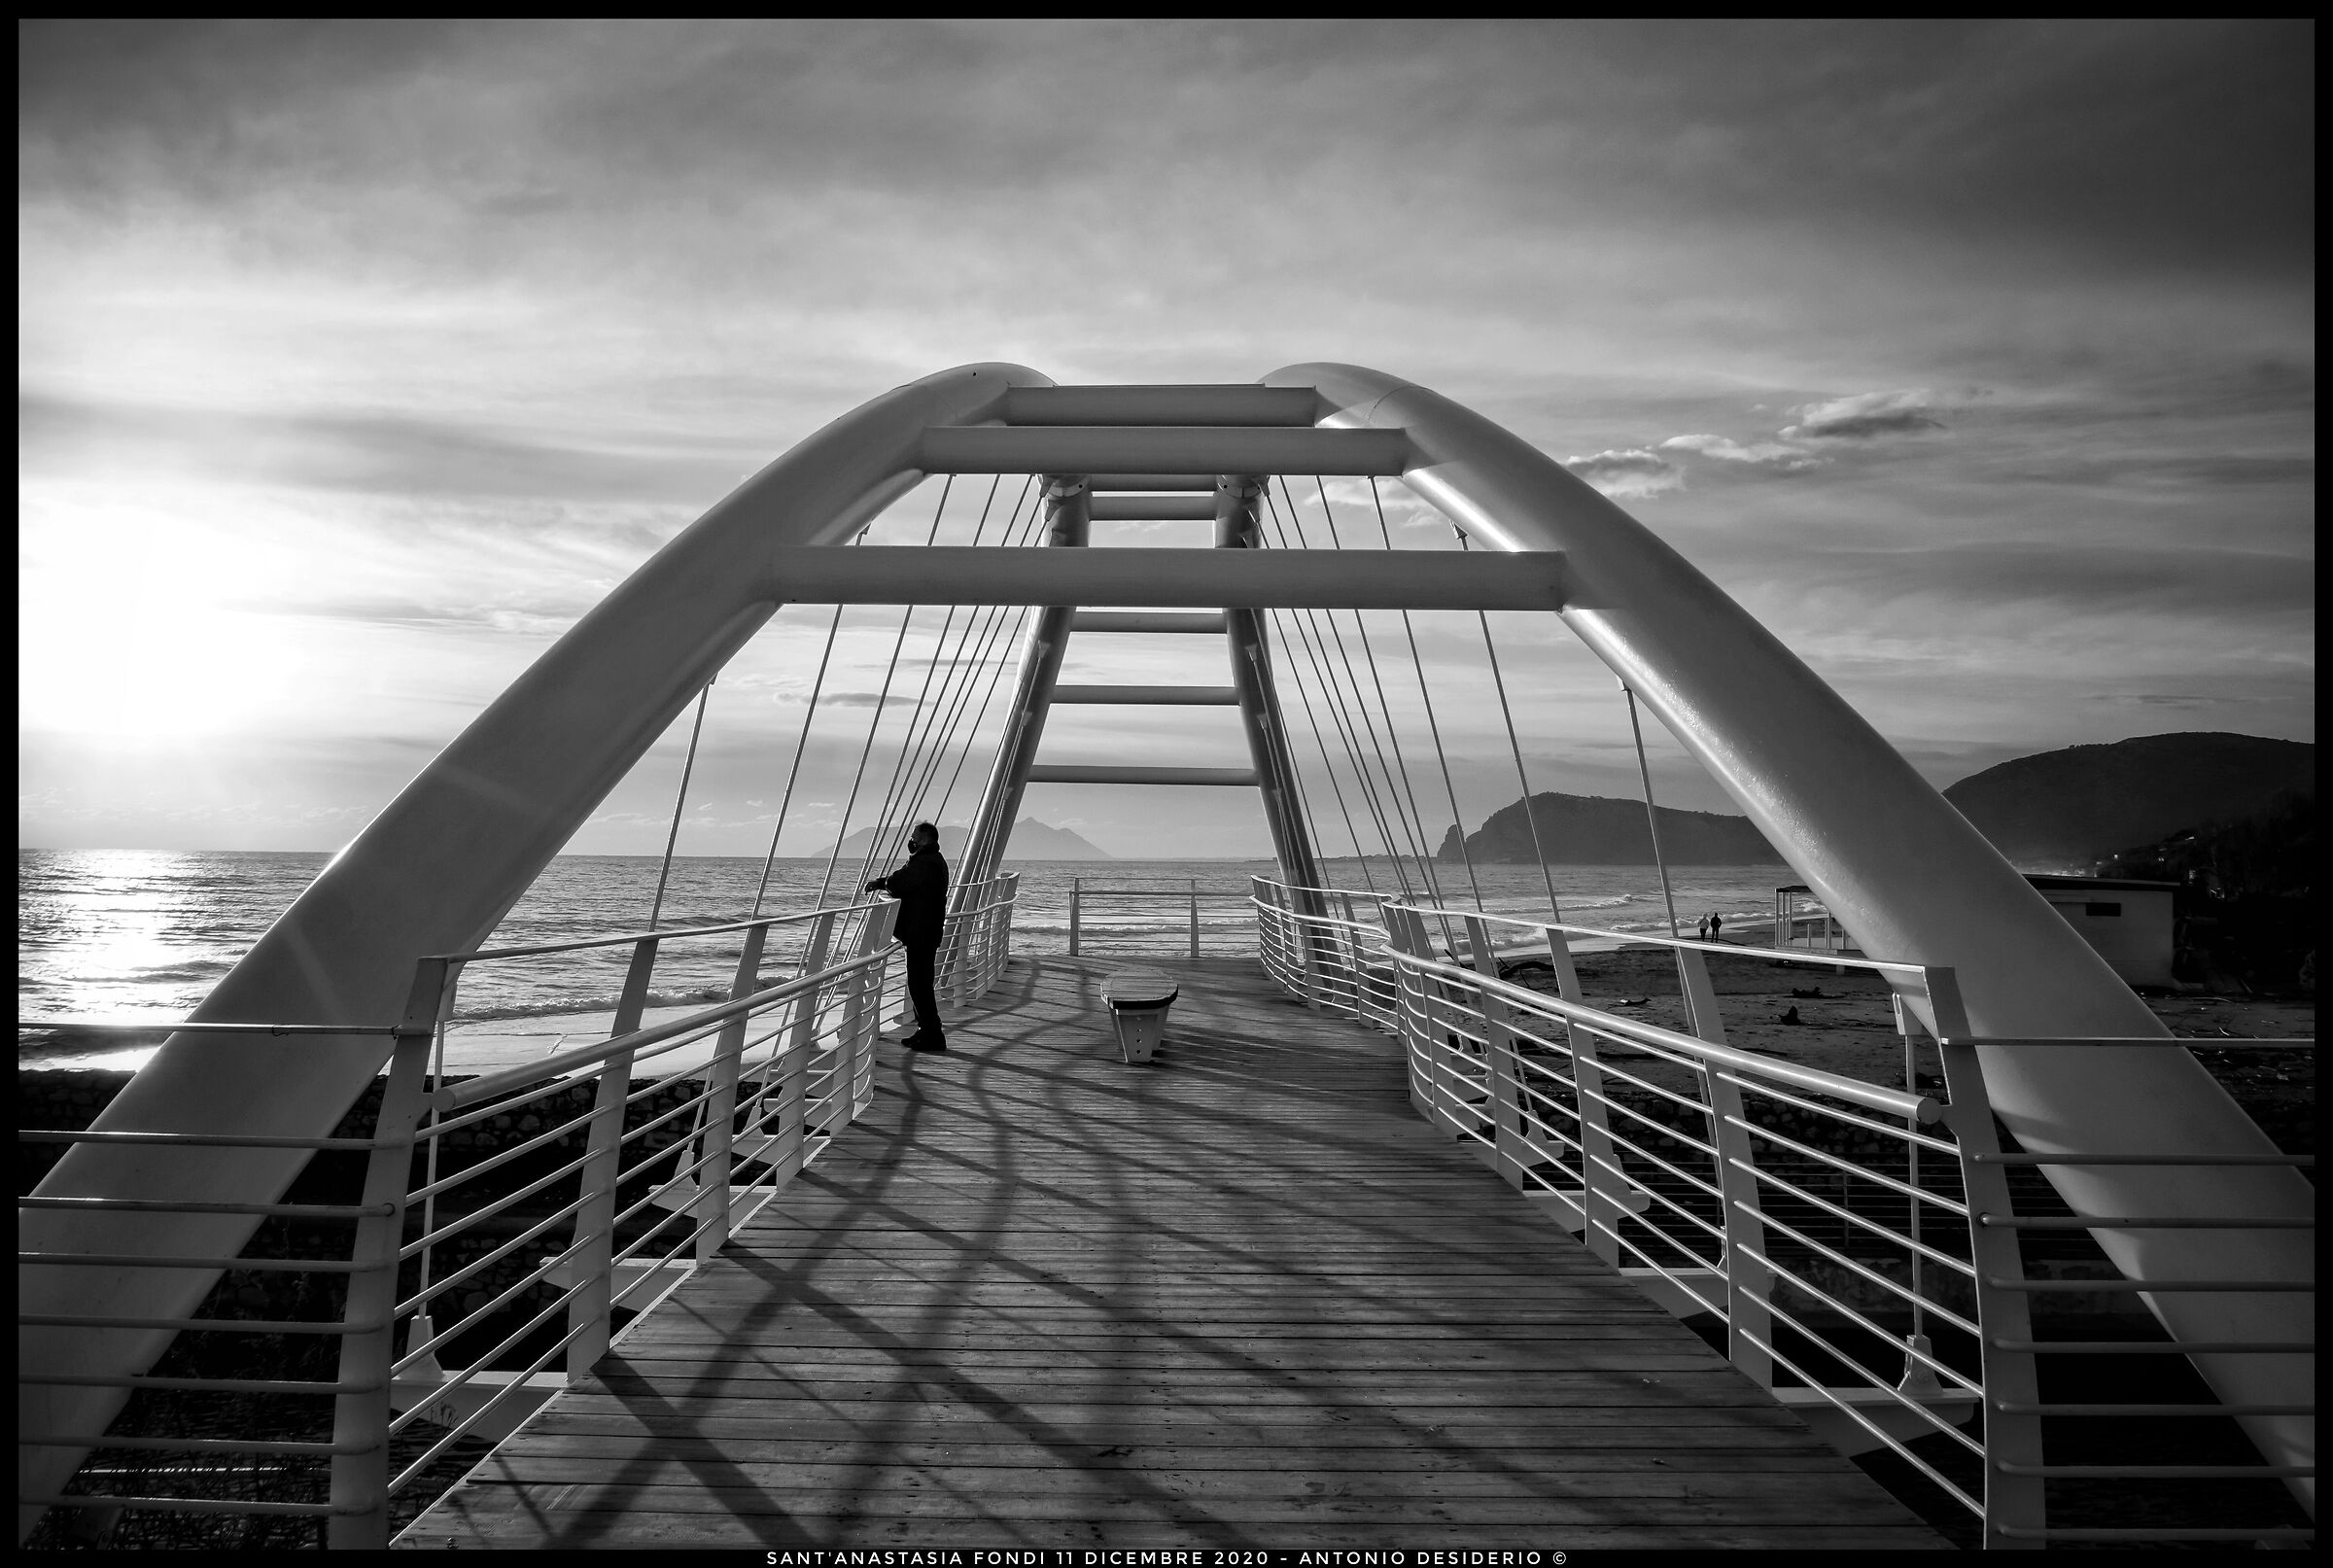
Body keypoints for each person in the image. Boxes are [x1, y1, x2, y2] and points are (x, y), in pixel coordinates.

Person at [865, 822, 950, 1052]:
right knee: (921, 984)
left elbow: (901, 882)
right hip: (925, 931)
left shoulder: (926, 862)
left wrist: (882, 883)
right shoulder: (933, 860)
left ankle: (932, 1034)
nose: (910, 841)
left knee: (919, 984)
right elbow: (905, 879)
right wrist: (886, 882)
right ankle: (926, 1031)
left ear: (923, 839)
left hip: (921, 932)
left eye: (913, 837)